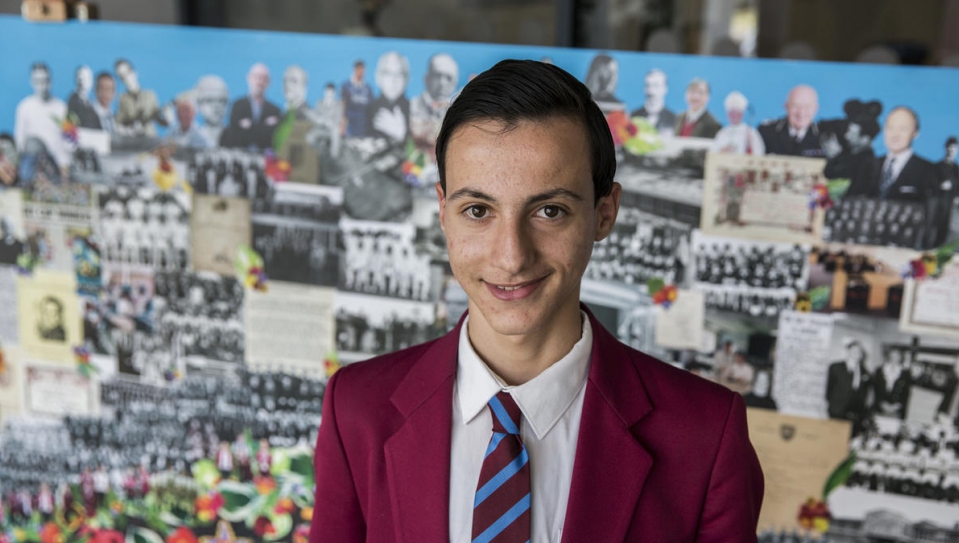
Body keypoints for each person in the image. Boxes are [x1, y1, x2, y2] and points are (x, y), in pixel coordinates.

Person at [309, 59, 763, 543]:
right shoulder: (356, 411)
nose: (511, 256)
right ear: (443, 213)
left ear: (604, 214)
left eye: (550, 210)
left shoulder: (705, 435)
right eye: (478, 210)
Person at [844, 106, 936, 204]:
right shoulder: (868, 165)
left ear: (915, 133)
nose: (895, 134)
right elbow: (849, 203)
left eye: (902, 129)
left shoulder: (929, 171)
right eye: (890, 128)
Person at [14, 62, 71, 175]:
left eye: (45, 80)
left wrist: (65, 165)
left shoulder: (62, 108)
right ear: (32, 82)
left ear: (50, 81)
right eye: (38, 81)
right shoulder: (24, 107)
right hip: (32, 165)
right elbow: (20, 141)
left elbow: (70, 141)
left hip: (57, 166)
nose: (42, 85)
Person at [221, 63, 282, 150]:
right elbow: (235, 132)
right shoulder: (237, 106)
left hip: (265, 157)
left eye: (263, 78)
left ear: (269, 82)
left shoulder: (275, 111)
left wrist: (250, 126)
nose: (259, 82)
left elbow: (274, 137)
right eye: (256, 77)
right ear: (249, 79)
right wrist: (264, 126)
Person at [757, 85, 825, 157]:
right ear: (786, 106)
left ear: (816, 108)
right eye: (795, 106)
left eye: (807, 107)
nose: (801, 112)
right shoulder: (767, 132)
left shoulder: (825, 136)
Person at [410, 53, 459, 151]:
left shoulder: (460, 113)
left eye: (448, 78)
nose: (442, 83)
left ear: (454, 83)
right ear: (426, 78)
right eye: (438, 75)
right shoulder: (409, 107)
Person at [366, 51, 410, 144]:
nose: (393, 80)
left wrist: (402, 134)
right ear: (378, 77)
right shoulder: (366, 110)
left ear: (406, 79)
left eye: (399, 74)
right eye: (388, 73)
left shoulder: (414, 109)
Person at [825, 338, 873, 423]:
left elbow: (864, 394)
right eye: (853, 350)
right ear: (848, 351)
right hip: (837, 411)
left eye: (859, 351)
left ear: (862, 354)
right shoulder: (835, 367)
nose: (856, 352)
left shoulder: (865, 372)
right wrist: (834, 404)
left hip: (855, 414)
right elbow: (828, 388)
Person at [114, 59, 164, 138]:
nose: (126, 78)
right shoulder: (122, 99)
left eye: (127, 73)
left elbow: (161, 121)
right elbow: (117, 123)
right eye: (122, 76)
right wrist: (128, 130)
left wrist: (167, 118)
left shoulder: (150, 95)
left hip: (150, 139)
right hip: (133, 142)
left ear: (134, 72)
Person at [712, 91, 765, 155]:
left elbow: (759, 154)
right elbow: (713, 153)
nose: (734, 116)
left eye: (737, 114)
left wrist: (749, 146)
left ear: (742, 115)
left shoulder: (751, 132)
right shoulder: (722, 133)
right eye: (731, 113)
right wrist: (722, 151)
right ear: (727, 115)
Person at [932, 136, 959, 246]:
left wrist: (956, 196)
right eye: (950, 148)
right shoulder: (938, 166)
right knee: (935, 224)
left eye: (954, 149)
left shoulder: (956, 167)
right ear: (946, 149)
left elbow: (957, 183)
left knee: (946, 225)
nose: (952, 151)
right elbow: (932, 182)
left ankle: (940, 246)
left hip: (949, 200)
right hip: (938, 200)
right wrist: (941, 185)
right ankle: (931, 246)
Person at [195, 75, 230, 147]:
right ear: (198, 104)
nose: (217, 106)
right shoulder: (192, 139)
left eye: (221, 101)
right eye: (209, 100)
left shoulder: (237, 139)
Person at [341, 60, 372, 138]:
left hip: (364, 125)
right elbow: (343, 105)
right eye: (358, 69)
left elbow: (371, 107)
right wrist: (342, 124)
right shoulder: (347, 86)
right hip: (351, 124)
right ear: (354, 70)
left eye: (362, 70)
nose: (361, 72)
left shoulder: (367, 88)